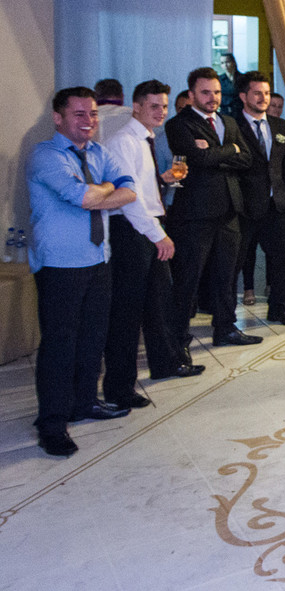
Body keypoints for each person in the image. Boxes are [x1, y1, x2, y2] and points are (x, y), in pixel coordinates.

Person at [28, 87, 138, 456]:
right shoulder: (45, 156)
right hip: (60, 265)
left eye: (92, 114)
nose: (88, 121)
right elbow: (85, 198)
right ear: (58, 118)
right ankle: (53, 424)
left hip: (97, 259)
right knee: (60, 345)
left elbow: (131, 191)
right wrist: (106, 188)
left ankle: (85, 402)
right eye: (79, 114)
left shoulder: (99, 152)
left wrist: (102, 189)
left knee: (93, 338)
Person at [103, 79, 204, 408]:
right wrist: (158, 235)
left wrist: (164, 180)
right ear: (136, 106)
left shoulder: (145, 139)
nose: (161, 111)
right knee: (127, 314)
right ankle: (119, 389)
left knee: (159, 302)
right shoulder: (125, 141)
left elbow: (145, 188)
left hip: (147, 225)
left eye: (163, 105)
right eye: (154, 106)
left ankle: (164, 363)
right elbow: (130, 200)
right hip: (133, 230)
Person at [165, 67, 257, 347]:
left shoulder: (228, 122)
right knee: (188, 280)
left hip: (229, 211)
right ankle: (178, 338)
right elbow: (197, 159)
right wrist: (230, 150)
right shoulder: (179, 124)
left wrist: (214, 154)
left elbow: (248, 159)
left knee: (226, 276)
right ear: (192, 94)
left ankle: (226, 329)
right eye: (206, 92)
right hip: (195, 215)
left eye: (216, 92)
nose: (213, 97)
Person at [234, 72, 285, 327]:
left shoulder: (279, 126)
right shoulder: (232, 126)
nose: (263, 98)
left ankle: (279, 309)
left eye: (267, 93)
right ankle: (226, 318)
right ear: (244, 96)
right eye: (257, 93)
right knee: (235, 262)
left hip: (278, 205)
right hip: (245, 208)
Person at [217, 53, 243, 118]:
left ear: (233, 62)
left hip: (240, 111)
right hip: (225, 111)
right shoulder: (219, 79)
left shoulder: (243, 78)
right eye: (222, 63)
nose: (225, 65)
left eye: (227, 62)